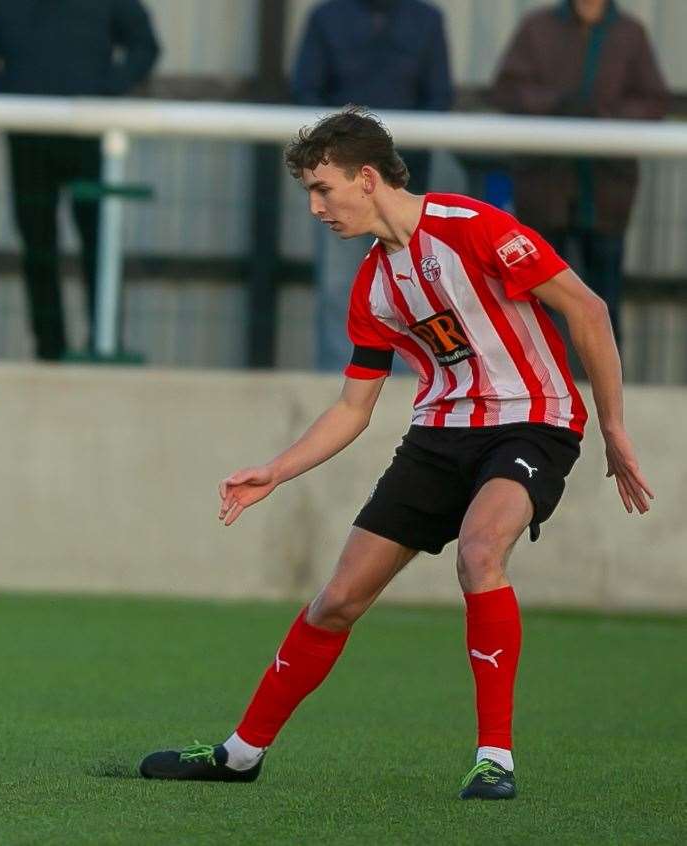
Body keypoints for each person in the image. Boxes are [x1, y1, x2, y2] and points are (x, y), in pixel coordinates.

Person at [138, 108, 652, 799]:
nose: (315, 208)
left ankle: (493, 759)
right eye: (308, 195)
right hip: (438, 436)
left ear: (368, 178)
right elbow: (354, 407)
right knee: (337, 600)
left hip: (533, 422)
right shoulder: (372, 287)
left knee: (479, 551)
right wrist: (276, 469)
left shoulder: (470, 227)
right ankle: (240, 754)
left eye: (323, 190)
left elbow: (585, 308)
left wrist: (614, 426)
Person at [0, 0, 160, 361]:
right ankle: (49, 350)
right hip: (28, 139)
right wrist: (10, 97)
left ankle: (105, 343)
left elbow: (145, 45)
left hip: (89, 138)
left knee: (100, 244)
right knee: (38, 249)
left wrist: (105, 90)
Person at [491, 0, 668, 350]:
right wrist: (557, 105)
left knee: (604, 297)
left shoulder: (629, 34)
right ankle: (533, 387)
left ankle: (606, 388)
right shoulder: (537, 28)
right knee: (535, 297)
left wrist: (605, 115)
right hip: (544, 187)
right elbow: (507, 89)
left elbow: (654, 100)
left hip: (605, 191)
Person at [290, 0, 452, 371]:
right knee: (339, 286)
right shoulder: (327, 18)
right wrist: (341, 153)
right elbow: (306, 90)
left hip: (401, 183)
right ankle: (341, 377)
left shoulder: (426, 20)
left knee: (411, 287)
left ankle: (414, 380)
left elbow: (439, 97)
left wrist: (388, 159)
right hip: (340, 182)